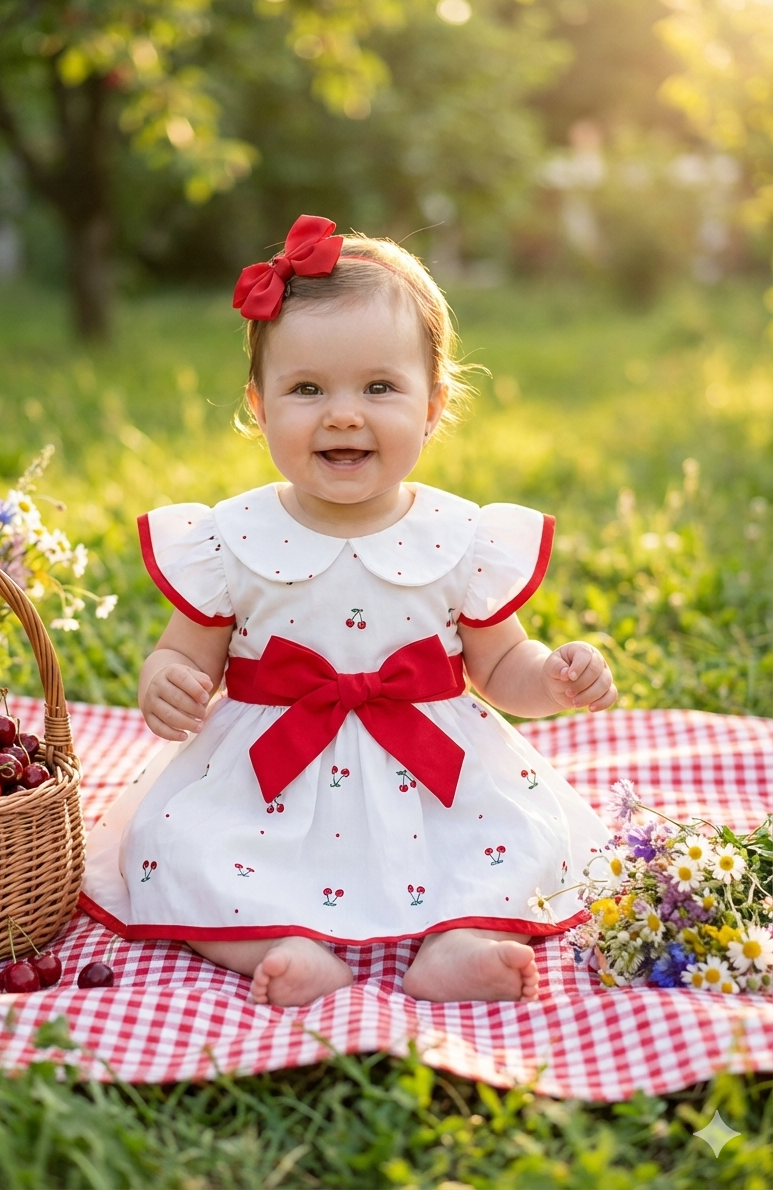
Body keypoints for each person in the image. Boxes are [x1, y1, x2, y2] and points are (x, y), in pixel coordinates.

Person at [81, 215, 616, 1007]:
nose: (342, 414)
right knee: (173, 843)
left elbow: (502, 666)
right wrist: (165, 681)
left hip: (433, 769)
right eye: (306, 389)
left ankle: (459, 938)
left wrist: (556, 676)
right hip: (270, 777)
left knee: (521, 836)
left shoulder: (459, 536)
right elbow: (185, 654)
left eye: (378, 387)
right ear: (259, 407)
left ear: (434, 406)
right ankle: (279, 942)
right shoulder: (232, 537)